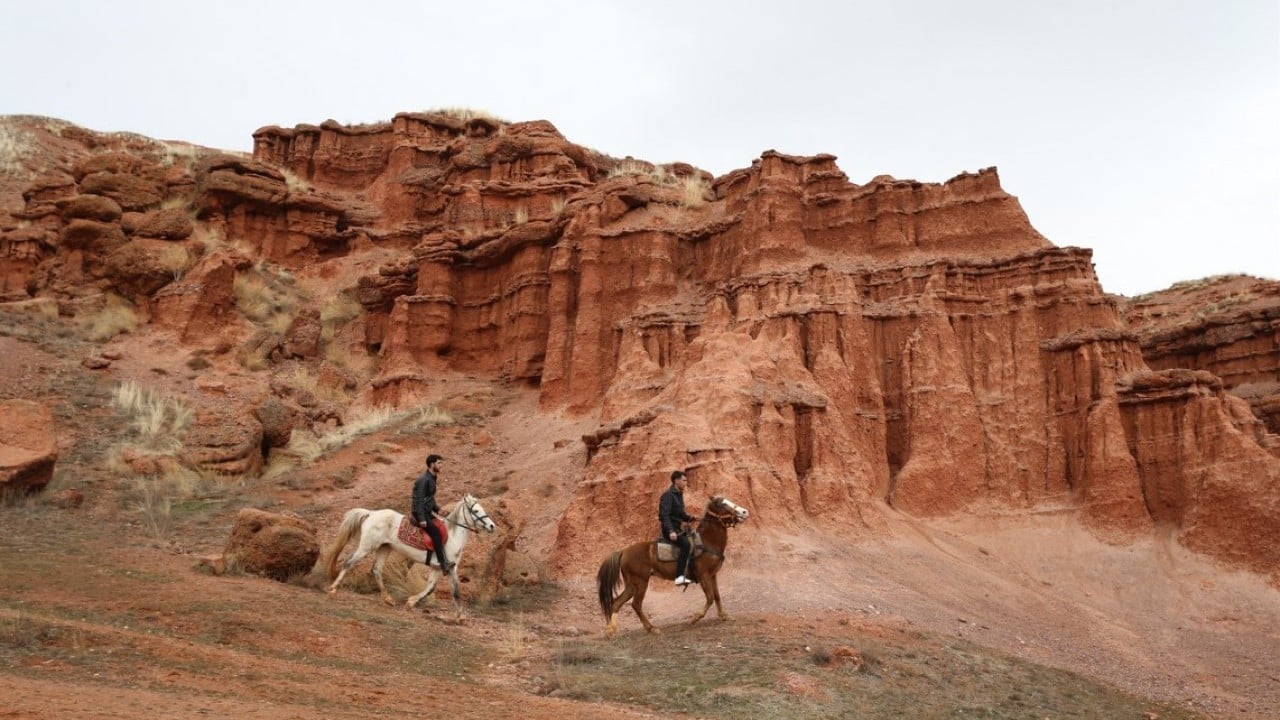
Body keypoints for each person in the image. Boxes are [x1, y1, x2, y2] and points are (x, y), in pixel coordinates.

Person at [412, 454, 453, 574]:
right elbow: (419, 499)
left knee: (441, 527)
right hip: (420, 513)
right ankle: (442, 564)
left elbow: (429, 498)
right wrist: (421, 519)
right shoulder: (423, 479)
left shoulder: (432, 477)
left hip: (427, 511)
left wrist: (438, 509)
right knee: (435, 533)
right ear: (432, 464)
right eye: (439, 463)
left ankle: (443, 559)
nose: (441, 466)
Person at [659, 470, 696, 586]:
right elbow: (664, 515)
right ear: (676, 481)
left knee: (694, 540)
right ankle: (679, 576)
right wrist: (671, 531)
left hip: (678, 529)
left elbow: (680, 514)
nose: (686, 482)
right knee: (686, 545)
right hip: (670, 530)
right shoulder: (668, 495)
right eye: (684, 480)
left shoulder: (678, 495)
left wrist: (690, 518)